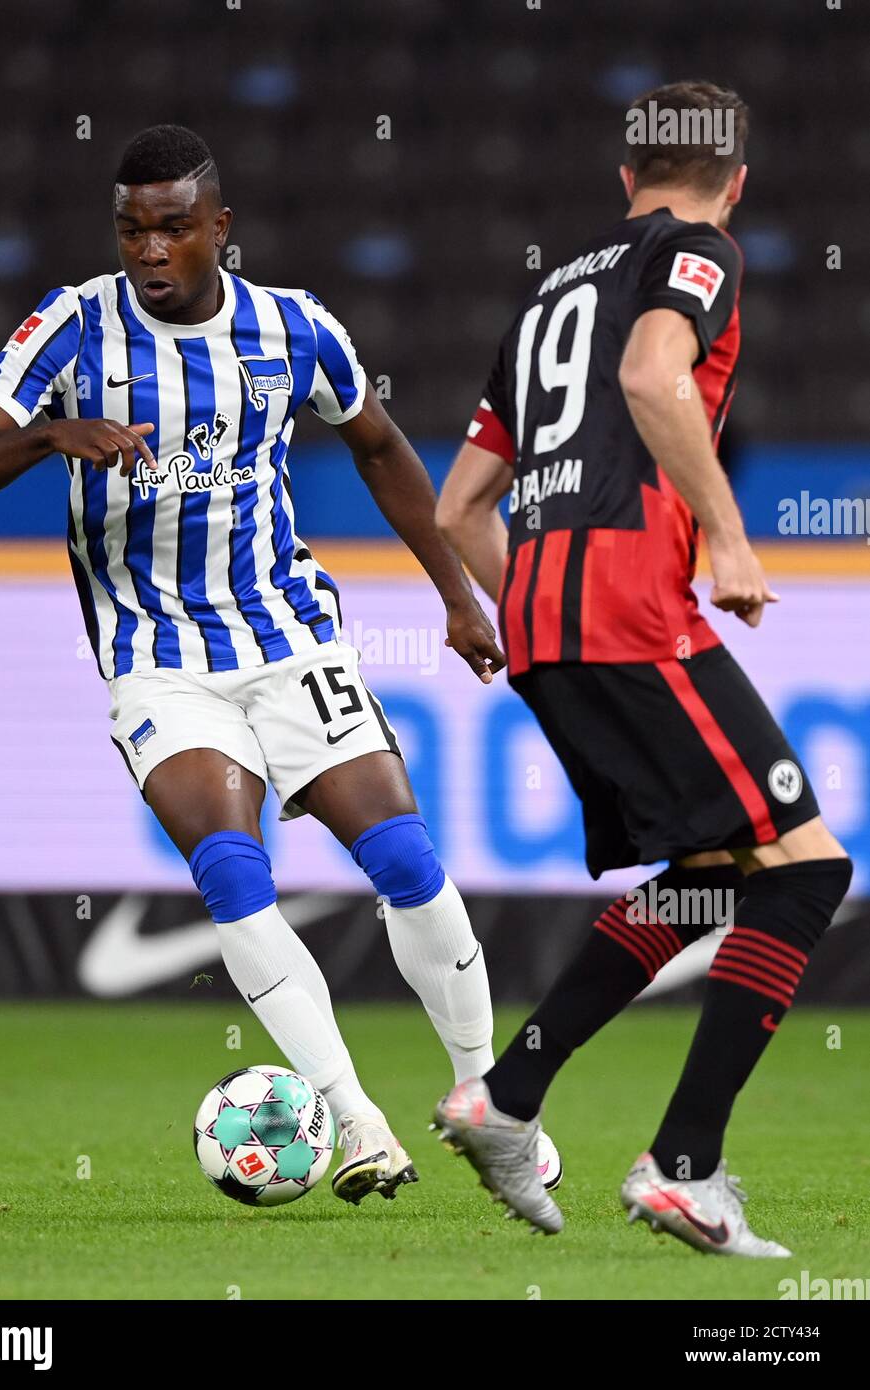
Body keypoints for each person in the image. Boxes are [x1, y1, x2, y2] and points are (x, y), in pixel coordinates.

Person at [0, 123, 561, 1206]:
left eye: (173, 227)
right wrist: (49, 437)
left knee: (404, 857)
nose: (149, 250)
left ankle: (486, 1104)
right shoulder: (72, 329)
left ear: (221, 229)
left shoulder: (293, 328)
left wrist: (458, 591)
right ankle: (354, 1119)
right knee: (230, 865)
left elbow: (384, 450)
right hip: (156, 656)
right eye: (131, 228)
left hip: (287, 634)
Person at [432, 83, 851, 1253]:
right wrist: (723, 533)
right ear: (740, 183)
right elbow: (653, 377)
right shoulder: (703, 254)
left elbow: (465, 502)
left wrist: (534, 596)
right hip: (631, 607)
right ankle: (684, 1166)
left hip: (543, 618)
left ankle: (507, 1094)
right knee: (808, 869)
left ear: (625, 178)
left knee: (722, 873)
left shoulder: (546, 295)